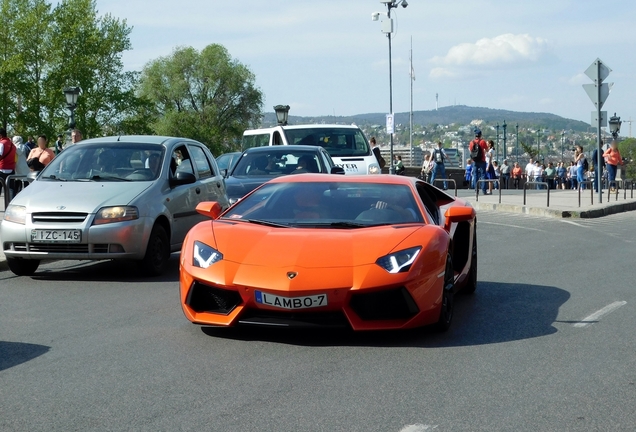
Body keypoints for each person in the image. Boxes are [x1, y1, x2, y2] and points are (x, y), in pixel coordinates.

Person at [469, 129, 488, 195]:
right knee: (483, 175)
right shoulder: (483, 141)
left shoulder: (471, 142)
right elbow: (487, 149)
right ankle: (484, 190)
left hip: (474, 160)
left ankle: (476, 190)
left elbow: (471, 150)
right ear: (480, 135)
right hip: (482, 160)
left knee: (475, 175)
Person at [0, 128, 17, 192]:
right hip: (11, 169)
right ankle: (11, 201)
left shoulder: (1, 143)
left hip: (2, 168)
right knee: (11, 189)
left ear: (1, 135)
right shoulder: (13, 145)